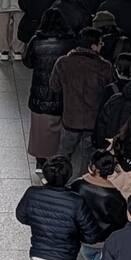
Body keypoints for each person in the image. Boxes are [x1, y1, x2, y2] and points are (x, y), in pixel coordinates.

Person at [50, 26, 115, 178]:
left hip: (70, 119)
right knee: (88, 156)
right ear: (93, 46)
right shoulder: (105, 66)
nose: (102, 46)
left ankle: (56, 178)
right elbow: (110, 91)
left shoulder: (63, 62)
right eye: (100, 43)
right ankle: (83, 182)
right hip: (93, 122)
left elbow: (54, 86)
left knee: (63, 152)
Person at [22, 7, 72, 165]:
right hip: (61, 93)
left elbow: (27, 62)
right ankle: (56, 160)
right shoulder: (69, 43)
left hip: (40, 93)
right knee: (59, 129)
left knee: (40, 129)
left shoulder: (36, 40)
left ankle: (40, 160)